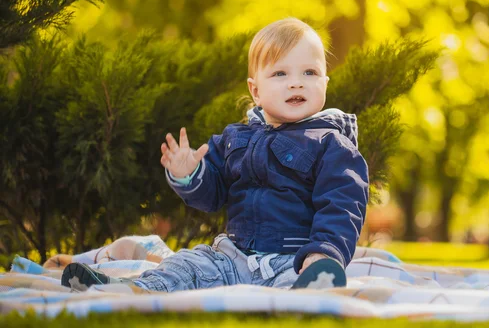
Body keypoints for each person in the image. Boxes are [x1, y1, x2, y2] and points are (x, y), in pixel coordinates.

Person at [61, 17, 369, 292]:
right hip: (232, 257)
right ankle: (134, 289)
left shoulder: (331, 144)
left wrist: (323, 253)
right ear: (255, 90)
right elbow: (212, 195)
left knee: (298, 286)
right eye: (280, 73)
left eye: (310, 72)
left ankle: (314, 289)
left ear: (325, 83)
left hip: (293, 260)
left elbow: (343, 203)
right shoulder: (235, 138)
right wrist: (189, 174)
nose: (296, 81)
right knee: (187, 264)